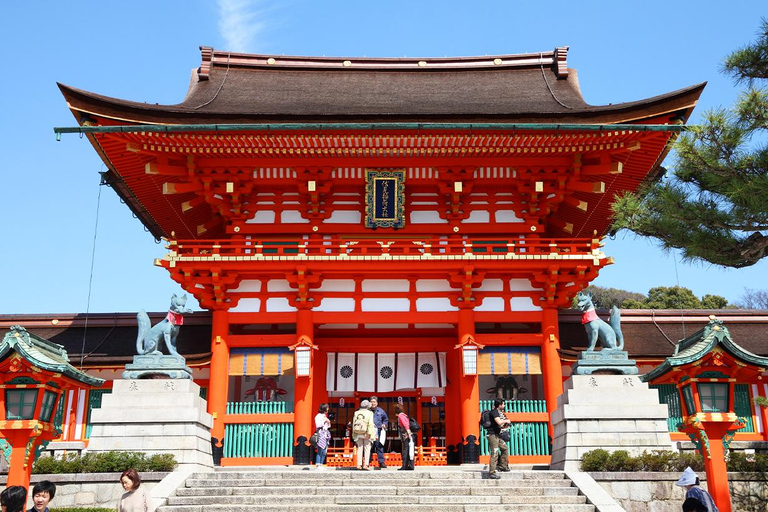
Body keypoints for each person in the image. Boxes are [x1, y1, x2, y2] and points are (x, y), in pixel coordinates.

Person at [487, 397, 511, 479]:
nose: (504, 405)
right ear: (499, 405)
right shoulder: (494, 412)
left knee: (505, 448)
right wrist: (506, 421)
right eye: (503, 404)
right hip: (492, 435)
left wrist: (505, 425)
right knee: (495, 452)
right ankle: (492, 472)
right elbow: (499, 422)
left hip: (497, 435)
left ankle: (502, 466)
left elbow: (499, 425)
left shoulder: (499, 412)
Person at [352, 400, 376, 470]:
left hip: (358, 433)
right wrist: (369, 433)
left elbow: (354, 423)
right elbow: (370, 424)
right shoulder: (370, 413)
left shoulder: (356, 413)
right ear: (367, 406)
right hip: (366, 433)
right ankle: (365, 464)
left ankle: (359, 464)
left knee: (359, 448)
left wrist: (354, 434)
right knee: (367, 448)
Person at [369, 396, 389, 469]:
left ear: (377, 403)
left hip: (378, 431)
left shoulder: (381, 411)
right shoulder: (367, 410)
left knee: (379, 446)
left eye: (374, 402)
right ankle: (367, 461)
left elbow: (386, 419)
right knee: (369, 446)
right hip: (370, 431)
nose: (373, 403)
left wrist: (384, 424)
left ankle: (381, 462)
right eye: (371, 402)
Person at [394, 403, 414, 471]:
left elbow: (405, 424)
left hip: (405, 435)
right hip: (408, 434)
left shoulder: (400, 416)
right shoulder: (405, 415)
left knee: (405, 450)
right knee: (409, 449)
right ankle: (410, 465)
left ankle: (405, 465)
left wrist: (408, 431)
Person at [314, 403, 332, 469]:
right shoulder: (318, 416)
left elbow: (328, 426)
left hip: (325, 433)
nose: (328, 409)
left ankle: (321, 464)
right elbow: (318, 425)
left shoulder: (324, 416)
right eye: (327, 407)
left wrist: (328, 421)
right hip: (321, 433)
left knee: (324, 451)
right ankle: (318, 465)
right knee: (320, 450)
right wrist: (324, 421)